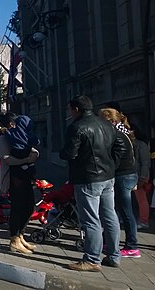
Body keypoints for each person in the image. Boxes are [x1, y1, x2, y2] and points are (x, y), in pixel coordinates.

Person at [61, 95, 123, 272]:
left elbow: (70, 153)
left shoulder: (77, 127)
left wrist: (63, 153)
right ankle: (114, 255)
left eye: (69, 109)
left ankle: (92, 259)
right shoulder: (106, 123)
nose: (68, 112)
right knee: (109, 215)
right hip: (107, 176)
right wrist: (113, 165)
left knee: (90, 219)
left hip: (88, 177)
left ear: (76, 110)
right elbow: (120, 146)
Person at [99, 108, 140, 258]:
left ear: (112, 121)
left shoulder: (117, 135)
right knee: (114, 210)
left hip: (123, 175)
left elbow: (117, 158)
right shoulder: (123, 132)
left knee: (125, 211)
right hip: (127, 174)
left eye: (103, 120)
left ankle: (132, 246)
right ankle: (108, 241)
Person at [0, 113, 40, 254]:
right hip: (13, 177)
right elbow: (7, 159)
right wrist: (26, 160)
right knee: (17, 207)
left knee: (29, 206)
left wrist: (33, 155)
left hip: (26, 176)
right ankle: (14, 239)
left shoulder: (23, 135)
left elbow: (32, 147)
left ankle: (20, 235)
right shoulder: (4, 139)